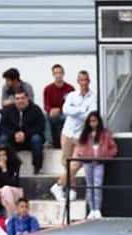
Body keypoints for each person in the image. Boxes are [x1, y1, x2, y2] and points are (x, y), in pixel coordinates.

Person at [52, 71, 96, 203]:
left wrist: (75, 111)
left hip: (81, 136)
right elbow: (65, 110)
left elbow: (90, 115)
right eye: (81, 80)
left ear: (89, 81)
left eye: (86, 80)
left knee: (76, 164)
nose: (83, 83)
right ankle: (72, 189)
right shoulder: (72, 95)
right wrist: (82, 110)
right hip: (67, 133)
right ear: (78, 81)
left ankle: (58, 185)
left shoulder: (93, 97)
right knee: (66, 163)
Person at [74, 112, 118, 219]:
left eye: (94, 121)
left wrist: (105, 156)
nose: (92, 124)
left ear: (99, 121)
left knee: (97, 185)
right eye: (90, 121)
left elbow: (113, 148)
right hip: (87, 162)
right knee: (89, 186)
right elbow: (79, 147)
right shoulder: (85, 134)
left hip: (99, 162)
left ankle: (97, 209)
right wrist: (83, 155)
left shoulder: (105, 134)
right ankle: (91, 209)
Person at [0, 90, 46, 175]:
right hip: (13, 138)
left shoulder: (36, 109)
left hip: (29, 138)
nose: (20, 101)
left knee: (37, 139)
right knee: (3, 139)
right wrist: (14, 134)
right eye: (17, 99)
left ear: (27, 98)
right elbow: (3, 127)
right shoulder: (7, 110)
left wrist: (25, 134)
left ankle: (37, 168)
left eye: (22, 98)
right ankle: (7, 168)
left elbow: (40, 127)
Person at [43, 64, 75, 148]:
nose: (58, 75)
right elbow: (46, 105)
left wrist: (60, 110)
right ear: (53, 75)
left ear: (63, 74)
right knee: (44, 116)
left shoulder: (70, 88)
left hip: (65, 113)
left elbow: (73, 105)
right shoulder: (48, 89)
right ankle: (49, 142)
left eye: (60, 72)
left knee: (69, 117)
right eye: (56, 73)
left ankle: (68, 141)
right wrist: (50, 110)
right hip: (53, 114)